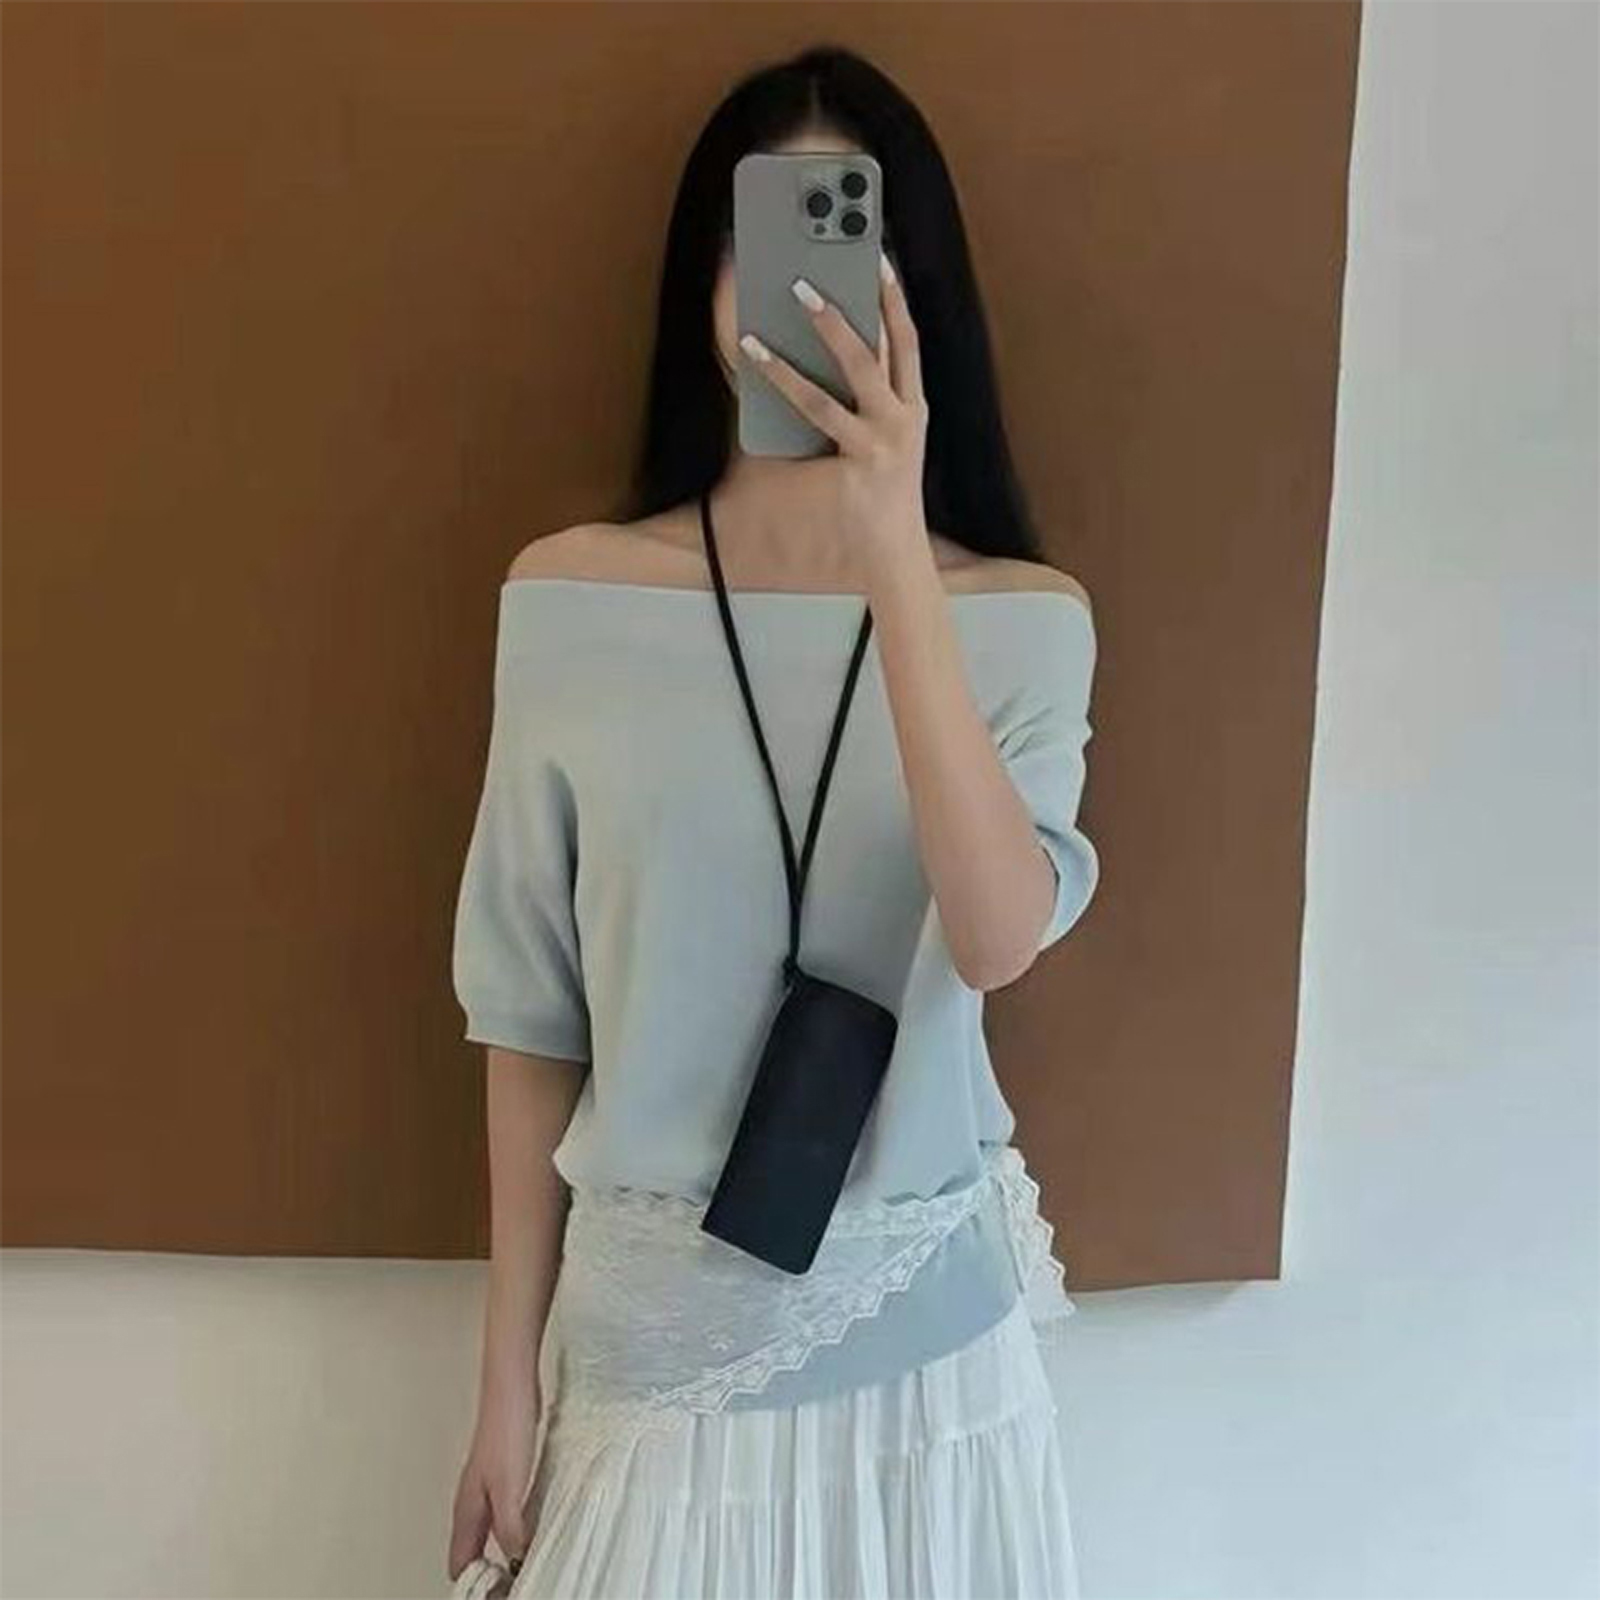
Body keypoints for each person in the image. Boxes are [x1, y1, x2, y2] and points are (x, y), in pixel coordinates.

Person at [445, 43, 1100, 1600]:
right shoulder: (572, 599)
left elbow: (998, 936)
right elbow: (529, 1016)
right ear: (705, 278)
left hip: (931, 1376)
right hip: (650, 1364)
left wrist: (896, 550)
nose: (804, 288)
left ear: (916, 287)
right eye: (765, 233)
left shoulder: (1024, 623)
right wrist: (502, 1386)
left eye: (846, 235)